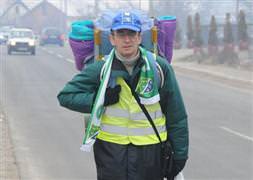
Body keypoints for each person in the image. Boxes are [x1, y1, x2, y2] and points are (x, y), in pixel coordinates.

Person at [57, 11, 188, 180]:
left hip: (150, 151)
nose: (127, 40)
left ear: (139, 37)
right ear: (112, 39)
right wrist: (100, 99)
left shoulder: (159, 68)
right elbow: (66, 96)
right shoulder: (101, 69)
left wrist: (180, 155)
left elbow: (176, 115)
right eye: (121, 34)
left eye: (132, 34)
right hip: (111, 151)